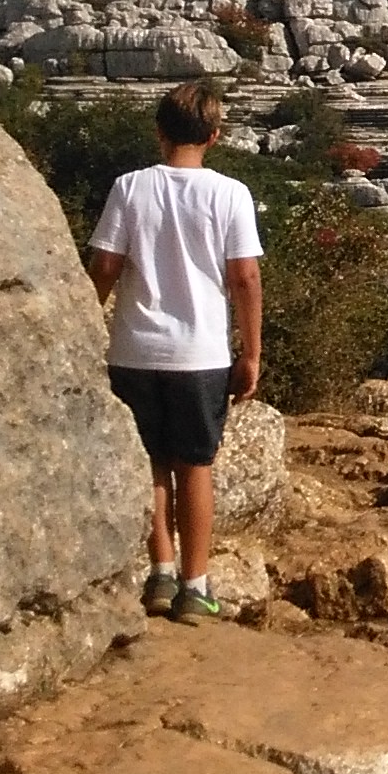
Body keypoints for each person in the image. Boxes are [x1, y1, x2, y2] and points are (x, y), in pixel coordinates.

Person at [86, 79, 263, 624]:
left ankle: (159, 572)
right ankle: (196, 584)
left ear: (159, 131)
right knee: (196, 466)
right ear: (215, 135)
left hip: (135, 349)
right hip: (201, 354)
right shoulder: (229, 193)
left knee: (153, 466)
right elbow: (246, 277)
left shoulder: (130, 187)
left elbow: (106, 265)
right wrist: (251, 351)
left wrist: (86, 320)